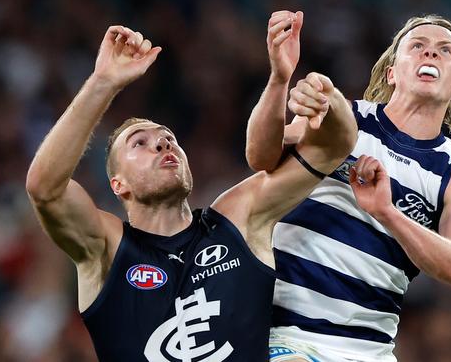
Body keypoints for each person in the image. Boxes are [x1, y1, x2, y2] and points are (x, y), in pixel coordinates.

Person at [25, 25, 357, 361]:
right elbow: (45, 189)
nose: (161, 143)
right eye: (139, 143)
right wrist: (103, 83)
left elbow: (334, 147)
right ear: (118, 184)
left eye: (168, 138)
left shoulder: (237, 220)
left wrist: (329, 99)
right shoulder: (107, 249)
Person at [248, 11, 451, 361]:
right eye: (417, 46)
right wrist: (279, 79)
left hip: (370, 350)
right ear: (392, 72)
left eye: (445, 50)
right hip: (288, 334)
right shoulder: (345, 119)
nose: (430, 54)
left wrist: (387, 212)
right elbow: (259, 155)